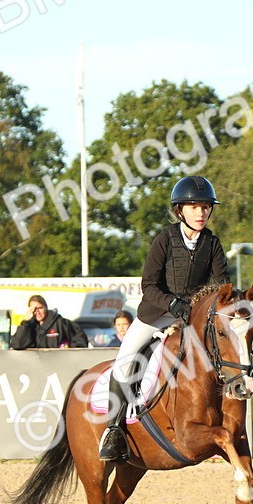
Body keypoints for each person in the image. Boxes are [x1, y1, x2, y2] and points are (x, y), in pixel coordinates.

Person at [98, 175, 229, 462]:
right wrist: (173, 304)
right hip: (154, 316)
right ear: (180, 210)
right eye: (194, 207)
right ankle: (113, 431)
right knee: (125, 360)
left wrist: (203, 308)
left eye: (206, 207)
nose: (201, 213)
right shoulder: (165, 239)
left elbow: (222, 286)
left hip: (190, 321)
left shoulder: (212, 244)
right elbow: (149, 286)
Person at [10, 294, 89, 350]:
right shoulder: (29, 326)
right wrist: (26, 322)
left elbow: (80, 340)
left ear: (46, 307)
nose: (37, 312)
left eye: (40, 308)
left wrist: (67, 352)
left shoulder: (60, 322)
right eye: (33, 309)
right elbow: (17, 344)